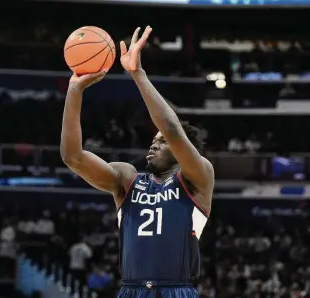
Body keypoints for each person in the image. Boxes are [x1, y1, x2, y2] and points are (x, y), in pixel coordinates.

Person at [61, 26, 214, 298]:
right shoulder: (127, 179)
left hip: (176, 290)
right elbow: (73, 157)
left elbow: (171, 127)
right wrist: (74, 90)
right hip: (131, 291)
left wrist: (137, 74)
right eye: (153, 140)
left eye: (162, 142)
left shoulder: (197, 177)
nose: (154, 143)